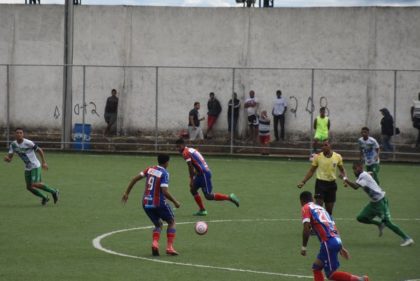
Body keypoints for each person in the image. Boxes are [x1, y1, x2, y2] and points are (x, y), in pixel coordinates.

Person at [341, 161, 414, 247]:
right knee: (361, 218)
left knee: (388, 222)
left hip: (380, 202)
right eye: (353, 169)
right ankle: (379, 224)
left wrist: (345, 179)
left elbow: (355, 187)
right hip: (373, 203)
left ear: (360, 167)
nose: (354, 171)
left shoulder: (363, 176)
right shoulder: (362, 175)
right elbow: (365, 178)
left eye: (355, 168)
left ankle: (407, 238)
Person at [299, 191, 369, 281]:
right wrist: (341, 247)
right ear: (312, 199)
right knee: (316, 267)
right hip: (335, 240)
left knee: (330, 274)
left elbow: (306, 228)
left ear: (301, 201)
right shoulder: (321, 209)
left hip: (328, 243)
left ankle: (361, 280)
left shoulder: (306, 207)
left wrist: (304, 247)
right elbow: (333, 226)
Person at [121, 154, 181, 256]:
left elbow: (134, 179)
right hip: (159, 202)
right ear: (167, 162)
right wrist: (175, 202)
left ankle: (155, 243)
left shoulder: (149, 169)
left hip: (146, 203)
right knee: (171, 222)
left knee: (158, 224)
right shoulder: (165, 173)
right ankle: (169, 248)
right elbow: (165, 191)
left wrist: (127, 193)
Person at [175, 138, 239, 216]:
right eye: (176, 147)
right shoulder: (190, 149)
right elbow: (197, 162)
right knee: (193, 190)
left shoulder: (185, 153)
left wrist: (191, 179)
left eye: (178, 147)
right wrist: (195, 174)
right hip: (201, 173)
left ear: (183, 145)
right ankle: (202, 210)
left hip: (204, 174)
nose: (177, 149)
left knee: (208, 196)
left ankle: (229, 197)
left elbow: (190, 167)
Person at [4, 128, 59, 206]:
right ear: (15, 134)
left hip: (35, 165)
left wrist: (44, 162)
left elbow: (40, 150)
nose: (19, 134)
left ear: (23, 134)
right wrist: (7, 159)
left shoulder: (28, 143)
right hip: (27, 167)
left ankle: (54, 191)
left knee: (35, 184)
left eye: (21, 133)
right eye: (17, 133)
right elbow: (9, 158)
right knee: (29, 187)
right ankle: (45, 198)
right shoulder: (13, 144)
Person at [297, 141, 347, 216]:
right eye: (322, 146)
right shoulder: (318, 157)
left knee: (329, 211)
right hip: (320, 184)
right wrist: (303, 181)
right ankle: (315, 226)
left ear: (330, 146)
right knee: (318, 209)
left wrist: (345, 179)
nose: (323, 147)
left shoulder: (337, 157)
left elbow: (342, 170)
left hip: (331, 185)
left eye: (326, 145)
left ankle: (329, 226)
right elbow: (311, 170)